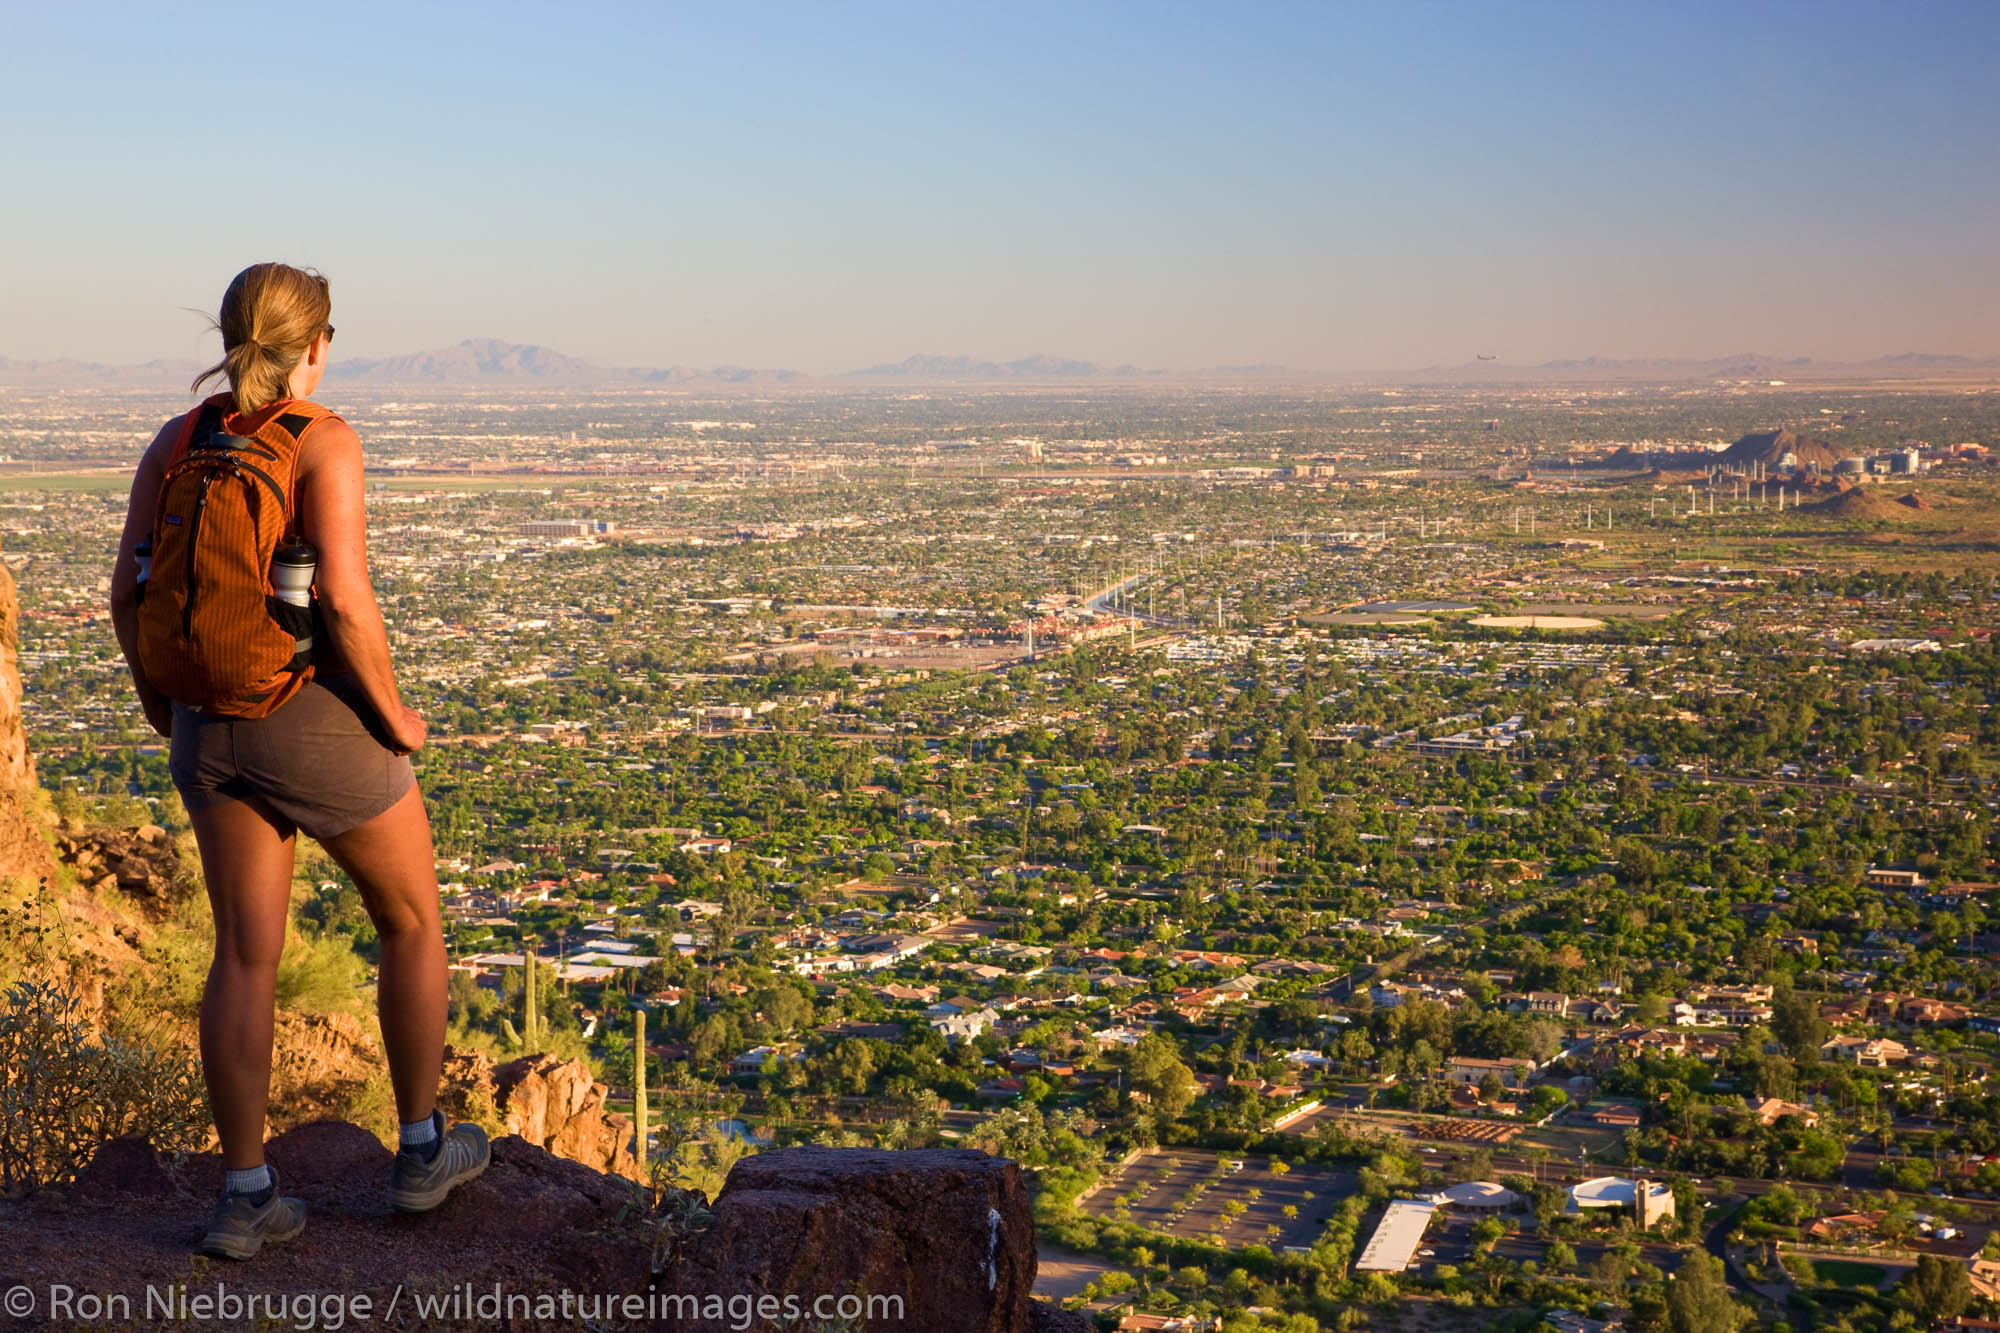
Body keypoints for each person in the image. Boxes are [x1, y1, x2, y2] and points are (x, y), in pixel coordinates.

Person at [108, 263, 488, 1259]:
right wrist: (396, 717)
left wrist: (166, 708)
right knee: (408, 917)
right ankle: (419, 1153)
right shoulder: (322, 440)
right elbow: (347, 605)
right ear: (315, 345)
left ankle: (245, 1195)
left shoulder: (177, 439)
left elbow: (127, 591)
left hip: (203, 724)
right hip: (300, 714)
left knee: (243, 956)